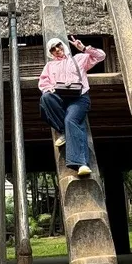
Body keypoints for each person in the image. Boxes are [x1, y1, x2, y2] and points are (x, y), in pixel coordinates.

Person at [39, 36, 106, 176]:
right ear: (51, 53)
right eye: (53, 49)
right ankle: (63, 131)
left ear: (63, 45)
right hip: (60, 98)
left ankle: (81, 163)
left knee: (71, 120)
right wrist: (50, 88)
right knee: (45, 98)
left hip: (79, 98)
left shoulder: (79, 59)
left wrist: (83, 48)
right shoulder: (49, 66)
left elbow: (101, 56)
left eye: (58, 46)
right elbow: (43, 83)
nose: (57, 50)